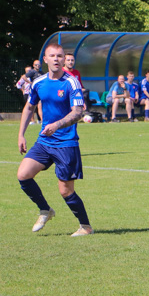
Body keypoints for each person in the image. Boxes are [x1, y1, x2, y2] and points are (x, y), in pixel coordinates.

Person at [16, 43, 92, 237]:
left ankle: (86, 227)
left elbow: (78, 112)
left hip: (66, 143)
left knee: (65, 191)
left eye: (60, 56)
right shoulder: (39, 82)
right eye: (53, 56)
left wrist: (57, 125)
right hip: (44, 142)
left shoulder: (71, 82)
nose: (57, 59)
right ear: (45, 60)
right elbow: (29, 107)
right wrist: (21, 134)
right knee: (23, 175)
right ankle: (45, 210)